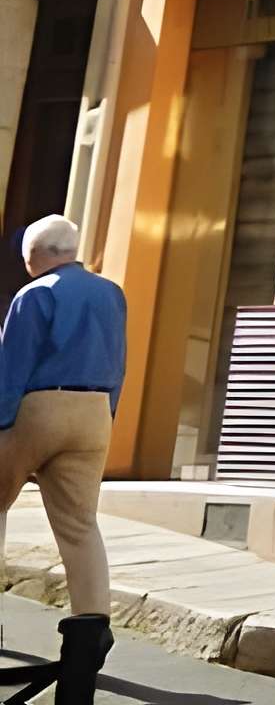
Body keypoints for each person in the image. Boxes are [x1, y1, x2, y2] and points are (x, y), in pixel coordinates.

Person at [0, 215, 125, 622]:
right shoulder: (112, 294)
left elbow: (12, 368)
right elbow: (119, 363)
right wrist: (108, 415)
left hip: (41, 407)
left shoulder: (34, 294)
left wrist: (3, 425)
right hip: (95, 412)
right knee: (80, 526)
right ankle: (91, 635)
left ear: (34, 255)